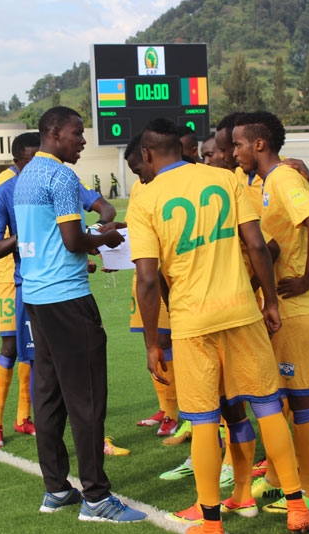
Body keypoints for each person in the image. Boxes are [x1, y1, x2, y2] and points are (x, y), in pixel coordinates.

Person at [128, 118, 309, 534]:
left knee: (202, 421)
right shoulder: (224, 179)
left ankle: (212, 526)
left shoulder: (144, 197)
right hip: (241, 313)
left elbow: (146, 277)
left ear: (146, 154)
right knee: (269, 406)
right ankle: (297, 507)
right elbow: (256, 244)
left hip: (191, 323)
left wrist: (149, 343)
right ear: (181, 147)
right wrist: (270, 301)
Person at [14, 106, 145, 522]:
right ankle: (95, 498)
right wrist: (107, 237)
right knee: (86, 398)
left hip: (36, 296)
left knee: (49, 396)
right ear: (55, 132)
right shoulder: (60, 175)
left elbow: (53, 237)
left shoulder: (25, 175)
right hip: (67, 299)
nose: (83, 141)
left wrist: (97, 236)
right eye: (77, 133)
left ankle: (56, 489)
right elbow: (72, 240)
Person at [232, 111, 309, 514]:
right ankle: (280, 478)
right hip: (287, 305)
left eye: (239, 143)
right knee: (283, 394)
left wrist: (307, 278)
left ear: (259, 144)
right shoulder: (264, 183)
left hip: (302, 305)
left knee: (301, 395)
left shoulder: (282, 178)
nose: (235, 151)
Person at [0, 133, 41, 449]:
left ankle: (24, 418)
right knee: (11, 346)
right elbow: (0, 238)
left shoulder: (43, 177)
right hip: (9, 275)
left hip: (37, 274)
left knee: (31, 350)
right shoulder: (5, 185)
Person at [122, 134, 178, 439]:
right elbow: (136, 227)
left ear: (149, 155)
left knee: (167, 343)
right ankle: (166, 407)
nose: (138, 175)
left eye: (138, 168)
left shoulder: (173, 186)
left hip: (171, 279)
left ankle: (176, 413)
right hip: (147, 273)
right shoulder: (140, 187)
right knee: (155, 338)